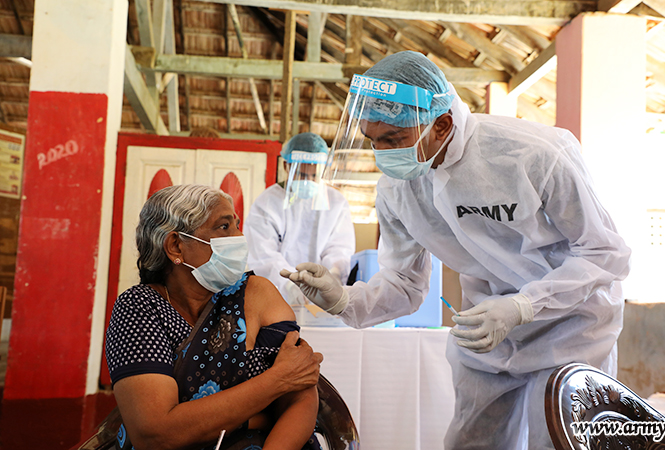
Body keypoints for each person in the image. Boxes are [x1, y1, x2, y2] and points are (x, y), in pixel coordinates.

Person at [281, 51, 631, 450]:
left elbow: (605, 252)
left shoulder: (533, 154)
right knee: (471, 443)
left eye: (393, 140)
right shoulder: (399, 189)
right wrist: (343, 298)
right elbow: (404, 282)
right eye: (373, 140)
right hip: (484, 334)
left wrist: (523, 305)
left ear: (442, 124)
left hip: (572, 327)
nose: (382, 154)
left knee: (557, 441)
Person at [105, 184, 324, 450]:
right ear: (175, 246)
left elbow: (299, 394)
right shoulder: (140, 307)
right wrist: (276, 382)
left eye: (237, 225)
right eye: (223, 227)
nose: (238, 236)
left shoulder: (256, 293)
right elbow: (156, 433)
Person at [246, 132, 355, 306]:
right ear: (285, 166)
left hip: (321, 301)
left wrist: (330, 280)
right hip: (275, 295)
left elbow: (339, 250)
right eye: (302, 175)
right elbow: (262, 255)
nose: (308, 182)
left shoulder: (336, 203)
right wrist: (291, 285)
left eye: (314, 176)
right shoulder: (267, 202)